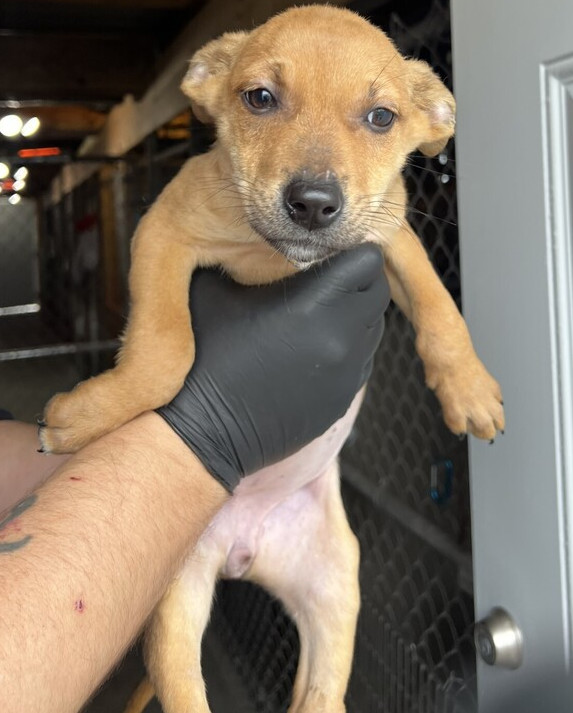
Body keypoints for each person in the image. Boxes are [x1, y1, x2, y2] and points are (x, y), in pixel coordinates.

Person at [0, 244, 389, 713]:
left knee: (332, 614)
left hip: (303, 496)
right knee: (182, 677)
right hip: (233, 486)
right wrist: (188, 441)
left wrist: (148, 471)